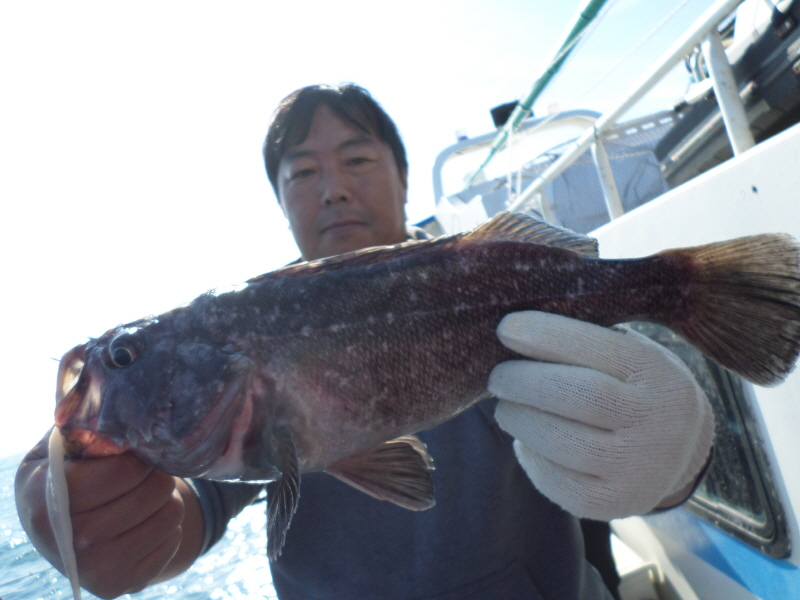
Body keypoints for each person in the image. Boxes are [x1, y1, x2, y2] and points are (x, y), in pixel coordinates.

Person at [16, 83, 714, 600]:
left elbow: (651, 471)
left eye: (357, 159)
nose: (334, 191)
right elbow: (183, 517)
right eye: (303, 174)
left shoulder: (482, 276)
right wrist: (107, 527)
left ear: (404, 177)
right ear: (282, 201)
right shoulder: (244, 334)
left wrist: (674, 456)